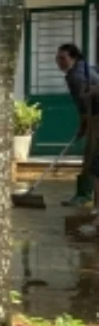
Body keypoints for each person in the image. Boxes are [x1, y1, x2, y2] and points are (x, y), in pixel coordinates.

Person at [55, 43, 99, 206]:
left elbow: (83, 105)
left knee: (91, 157)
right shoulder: (85, 67)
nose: (58, 62)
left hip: (96, 116)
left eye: (62, 58)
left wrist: (83, 126)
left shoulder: (76, 76)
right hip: (94, 116)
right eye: (57, 58)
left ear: (73, 58)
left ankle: (84, 196)